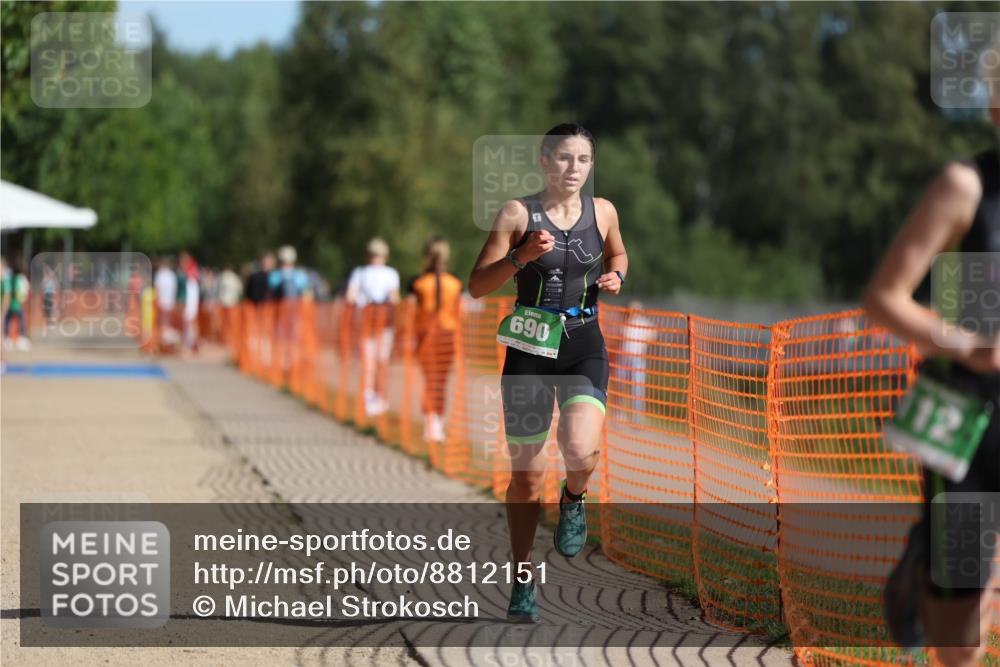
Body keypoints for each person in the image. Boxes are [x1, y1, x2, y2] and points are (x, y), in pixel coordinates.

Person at [468, 124, 628, 623]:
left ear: (591, 166)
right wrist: (520, 257)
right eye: (563, 158)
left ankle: (575, 496)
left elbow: (618, 252)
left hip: (583, 344)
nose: (573, 169)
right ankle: (521, 580)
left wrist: (617, 274)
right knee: (525, 477)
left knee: (580, 449)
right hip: (530, 350)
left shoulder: (603, 212)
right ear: (543, 161)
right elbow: (477, 285)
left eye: (582, 160)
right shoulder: (518, 213)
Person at [865, 111, 1000, 664]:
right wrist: (971, 346)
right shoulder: (967, 187)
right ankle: (927, 563)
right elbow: (885, 298)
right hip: (969, 424)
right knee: (958, 635)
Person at [406, 237, 463, 445]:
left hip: (426, 336)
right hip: (447, 335)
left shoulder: (418, 283)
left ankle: (431, 421)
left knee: (431, 380)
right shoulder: (455, 283)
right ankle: (436, 421)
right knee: (440, 381)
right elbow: (460, 313)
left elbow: (410, 312)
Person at [345, 237, 400, 417]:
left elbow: (351, 296)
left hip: (379, 326)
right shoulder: (364, 273)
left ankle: (376, 397)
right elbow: (351, 296)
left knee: (376, 363)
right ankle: (372, 397)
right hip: (370, 326)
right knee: (374, 363)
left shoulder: (379, 273)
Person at [616, 300, 656, 415]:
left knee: (637, 390)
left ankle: (637, 417)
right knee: (620, 387)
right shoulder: (624, 321)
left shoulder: (643, 323)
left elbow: (653, 333)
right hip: (622, 358)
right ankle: (619, 415)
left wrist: (646, 342)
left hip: (637, 359)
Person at [2, 258, 30, 349]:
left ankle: (16, 339)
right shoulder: (13, 279)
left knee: (12, 320)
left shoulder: (14, 278)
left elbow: (22, 291)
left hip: (14, 303)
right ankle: (11, 339)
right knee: (13, 320)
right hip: (13, 304)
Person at [154, 256, 178, 351]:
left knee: (162, 323)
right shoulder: (172, 275)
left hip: (162, 302)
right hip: (170, 302)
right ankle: (167, 343)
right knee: (168, 323)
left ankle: (164, 343)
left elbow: (157, 288)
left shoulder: (160, 274)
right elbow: (175, 289)